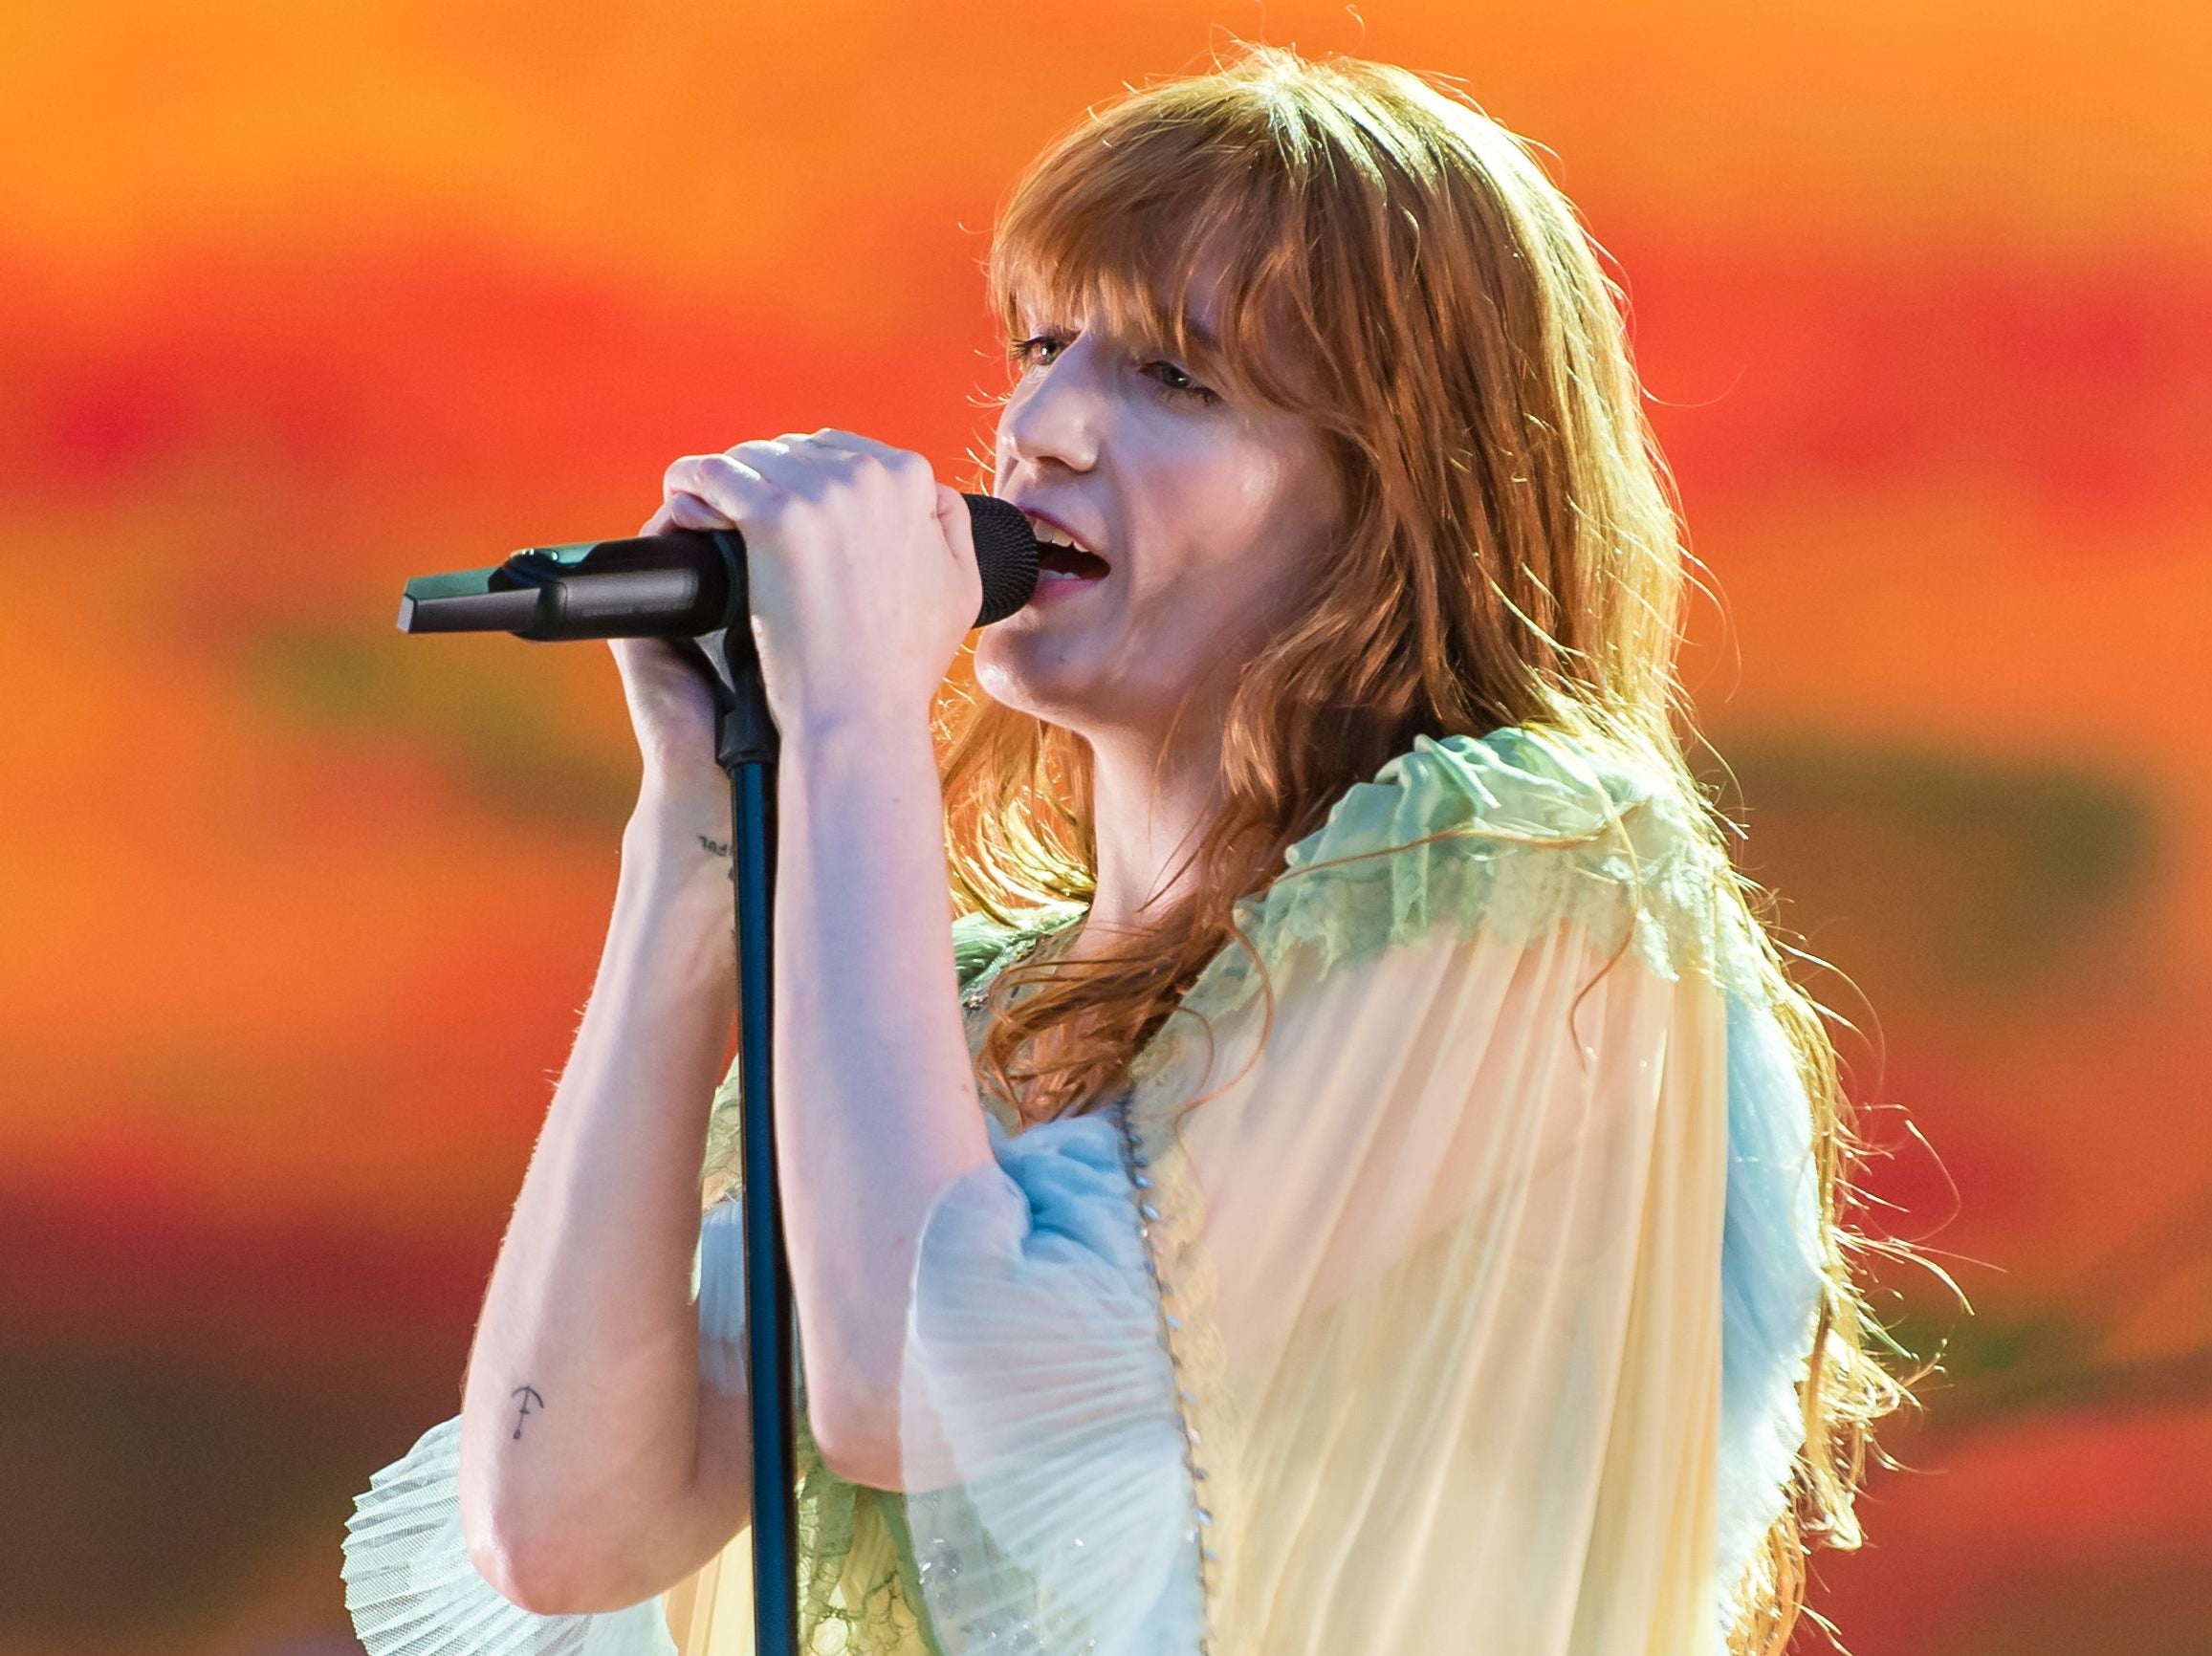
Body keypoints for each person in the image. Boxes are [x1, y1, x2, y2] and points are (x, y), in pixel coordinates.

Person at [340, 43, 1912, 1656]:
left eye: (1177, 379)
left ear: (1396, 501)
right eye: (1042, 344)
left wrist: (866, 726)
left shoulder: (1524, 881)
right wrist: (699, 833)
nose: (1040, 428)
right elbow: (566, 1526)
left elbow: (915, 1381)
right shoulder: (950, 1031)